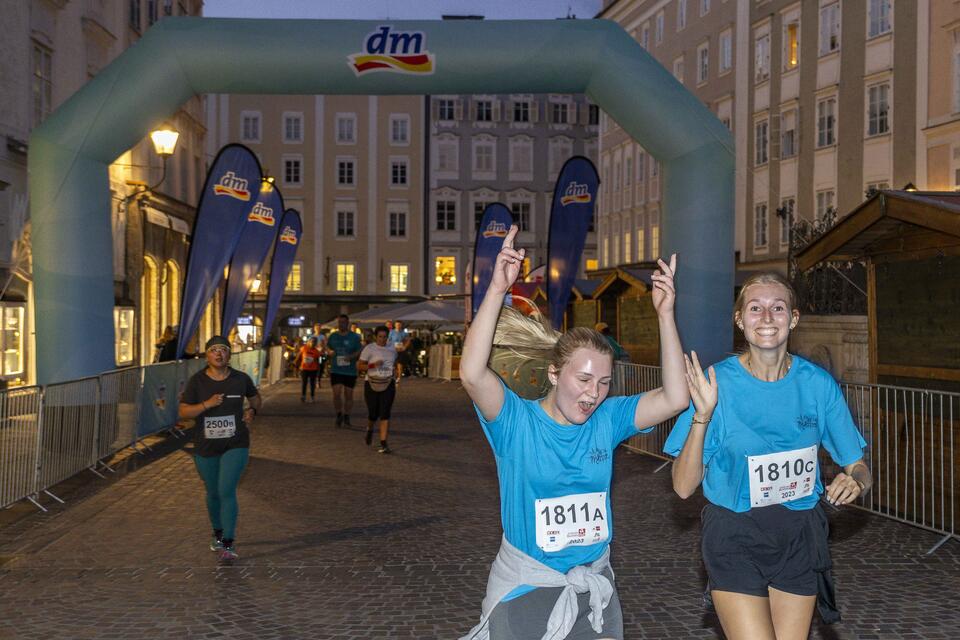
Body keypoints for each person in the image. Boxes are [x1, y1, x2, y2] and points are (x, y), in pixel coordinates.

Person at [460, 225, 688, 640]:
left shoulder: (607, 419)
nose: (593, 394)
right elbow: (473, 373)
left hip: (594, 592)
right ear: (553, 373)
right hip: (527, 589)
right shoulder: (516, 422)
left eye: (603, 383)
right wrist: (496, 290)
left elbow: (675, 397)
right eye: (583, 380)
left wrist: (666, 315)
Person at [664, 272, 872, 640]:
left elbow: (859, 466)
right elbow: (682, 487)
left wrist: (854, 479)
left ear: (793, 318)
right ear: (740, 320)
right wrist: (703, 415)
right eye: (755, 308)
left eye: (778, 308)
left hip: (799, 536)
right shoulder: (716, 382)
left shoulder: (817, 384)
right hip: (735, 534)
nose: (767, 317)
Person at [178, 336, 262, 562]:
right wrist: (207, 404)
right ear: (207, 355)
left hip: (236, 442)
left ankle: (228, 542)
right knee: (213, 492)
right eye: (214, 350)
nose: (219, 354)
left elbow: (255, 400)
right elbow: (184, 412)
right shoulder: (197, 381)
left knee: (226, 490)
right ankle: (217, 533)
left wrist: (252, 412)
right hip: (206, 444)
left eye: (223, 350)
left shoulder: (240, 379)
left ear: (229, 355)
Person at [359, 325, 401, 453]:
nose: (382, 340)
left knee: (385, 413)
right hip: (371, 383)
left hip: (388, 384)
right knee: (373, 413)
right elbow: (359, 366)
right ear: (375, 337)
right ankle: (370, 429)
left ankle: (383, 443)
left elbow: (395, 363)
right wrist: (372, 365)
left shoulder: (392, 349)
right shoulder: (369, 348)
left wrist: (396, 373)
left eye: (385, 337)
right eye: (380, 337)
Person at [326, 313, 363, 428]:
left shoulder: (355, 337)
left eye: (343, 322)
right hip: (336, 369)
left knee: (349, 395)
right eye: (339, 322)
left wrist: (352, 357)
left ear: (347, 323)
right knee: (336, 394)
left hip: (350, 370)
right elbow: (328, 347)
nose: (341, 324)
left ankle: (347, 415)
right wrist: (329, 352)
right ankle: (338, 414)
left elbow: (359, 350)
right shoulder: (333, 336)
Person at [295, 336, 322, 402]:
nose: (313, 343)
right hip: (304, 369)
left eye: (314, 342)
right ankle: (303, 396)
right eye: (312, 342)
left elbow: (319, 361)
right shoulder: (303, 348)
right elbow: (299, 356)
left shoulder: (316, 351)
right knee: (304, 383)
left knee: (312, 384)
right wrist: (296, 363)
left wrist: (319, 369)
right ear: (309, 342)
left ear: (316, 344)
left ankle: (312, 396)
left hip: (313, 370)